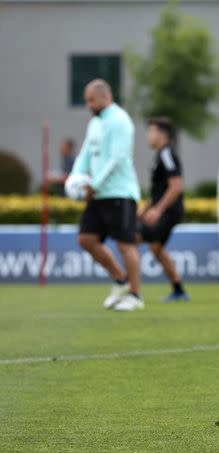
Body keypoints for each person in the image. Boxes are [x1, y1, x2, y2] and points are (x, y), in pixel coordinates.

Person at [71, 79, 143, 312]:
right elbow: (85, 153)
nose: (88, 104)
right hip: (98, 194)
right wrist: (75, 177)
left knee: (126, 244)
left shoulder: (120, 120)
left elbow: (117, 158)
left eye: (91, 99)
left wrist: (95, 184)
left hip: (120, 192)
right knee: (86, 239)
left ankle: (135, 295)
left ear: (105, 97)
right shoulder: (95, 123)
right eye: (87, 100)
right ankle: (120, 279)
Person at [137, 117, 189, 303]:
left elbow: (176, 186)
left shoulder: (167, 154)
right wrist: (145, 208)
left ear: (161, 134)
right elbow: (160, 190)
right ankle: (179, 290)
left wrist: (157, 210)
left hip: (169, 211)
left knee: (131, 237)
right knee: (155, 248)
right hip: (163, 210)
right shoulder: (160, 155)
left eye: (151, 131)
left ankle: (129, 289)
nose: (148, 136)